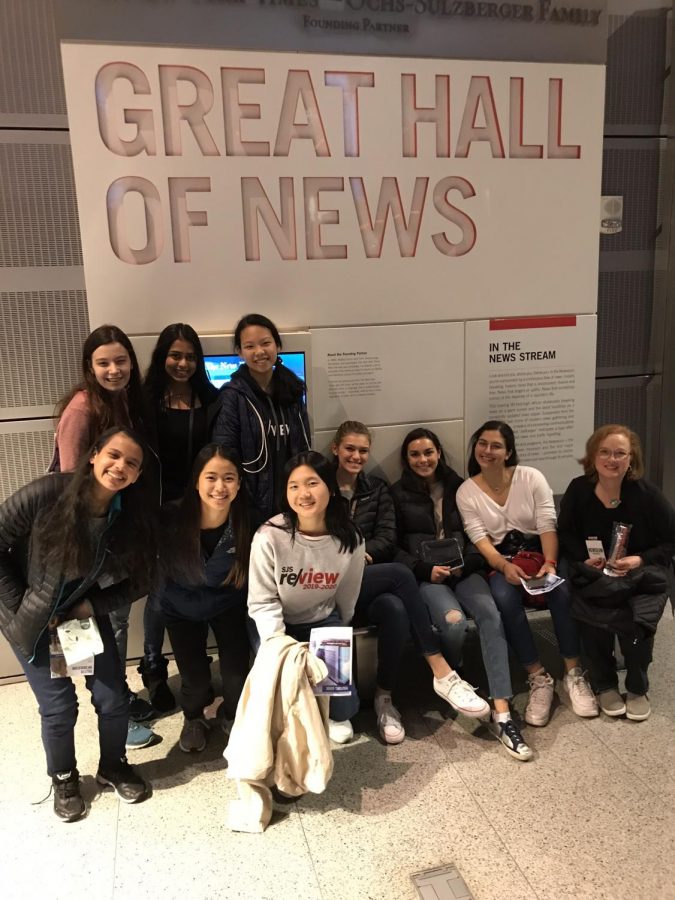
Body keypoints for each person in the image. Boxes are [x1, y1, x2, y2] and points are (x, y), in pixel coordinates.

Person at [0, 427, 158, 822]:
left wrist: (92, 604)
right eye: (114, 455)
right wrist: (21, 607)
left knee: (112, 698)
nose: (120, 467)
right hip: (29, 620)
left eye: (132, 463)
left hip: (77, 619)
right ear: (94, 455)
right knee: (58, 707)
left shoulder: (127, 517)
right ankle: (65, 777)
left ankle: (113, 766)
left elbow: (142, 579)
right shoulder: (46, 493)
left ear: (137, 475)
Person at [331, 422, 490, 746]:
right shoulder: (319, 486)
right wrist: (347, 557)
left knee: (396, 608)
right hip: (325, 582)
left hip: (365, 579)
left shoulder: (375, 489)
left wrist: (363, 556)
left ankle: (384, 699)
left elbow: (387, 538)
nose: (356, 456)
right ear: (335, 448)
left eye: (363, 450)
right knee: (402, 576)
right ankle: (439, 671)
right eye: (349, 448)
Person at [392, 427, 532, 760]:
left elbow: (478, 535)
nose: (423, 460)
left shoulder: (462, 487)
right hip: (427, 577)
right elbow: (393, 547)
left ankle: (502, 713)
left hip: (465, 571)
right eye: (415, 454)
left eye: (428, 452)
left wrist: (466, 564)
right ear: (406, 459)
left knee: (489, 615)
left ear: (439, 453)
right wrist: (425, 570)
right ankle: (453, 675)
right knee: (453, 622)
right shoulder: (396, 493)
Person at [50, 324, 157, 746]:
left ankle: (118, 702)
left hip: (115, 534)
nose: (114, 369)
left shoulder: (127, 402)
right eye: (103, 362)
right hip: (85, 542)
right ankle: (108, 719)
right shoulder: (82, 409)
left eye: (121, 360)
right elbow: (69, 486)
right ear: (89, 367)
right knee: (86, 629)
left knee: (113, 619)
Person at [456, 420, 598, 731]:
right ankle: (537, 676)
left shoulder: (530, 477)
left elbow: (547, 523)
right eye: (482, 444)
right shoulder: (467, 490)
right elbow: (479, 538)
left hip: (542, 554)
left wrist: (549, 562)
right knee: (504, 599)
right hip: (502, 560)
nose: (488, 451)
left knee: (561, 591)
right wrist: (503, 566)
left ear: (509, 452)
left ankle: (573, 671)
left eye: (496, 445)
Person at [558, 425, 675, 720]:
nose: (612, 459)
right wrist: (584, 560)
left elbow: (670, 541)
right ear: (593, 456)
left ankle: (637, 686)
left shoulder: (647, 495)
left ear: (631, 458)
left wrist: (639, 559)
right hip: (595, 572)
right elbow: (566, 533)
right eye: (605, 452)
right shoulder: (578, 489)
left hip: (640, 575)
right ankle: (605, 684)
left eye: (620, 453)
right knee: (594, 621)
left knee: (638, 625)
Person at [247, 451, 365, 744]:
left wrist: (339, 630)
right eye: (294, 485)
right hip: (276, 621)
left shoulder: (350, 538)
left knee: (343, 708)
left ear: (329, 486)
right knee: (281, 680)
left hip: (323, 617)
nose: (303, 493)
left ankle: (331, 710)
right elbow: (261, 601)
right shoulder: (269, 535)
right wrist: (279, 644)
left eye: (312, 483)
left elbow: (347, 593)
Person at [139, 323, 219, 713]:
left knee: (196, 583)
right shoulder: (144, 402)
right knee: (161, 590)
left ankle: (195, 660)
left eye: (190, 356)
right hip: (157, 511)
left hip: (200, 509)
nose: (183, 363)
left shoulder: (211, 399)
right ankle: (153, 666)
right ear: (162, 357)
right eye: (175, 355)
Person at [157, 444, 257, 752]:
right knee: (196, 682)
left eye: (229, 478)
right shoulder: (170, 518)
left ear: (239, 483)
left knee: (237, 680)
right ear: (196, 481)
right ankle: (194, 718)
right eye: (211, 477)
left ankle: (230, 714)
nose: (219, 487)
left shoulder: (249, 520)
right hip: (181, 608)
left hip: (228, 604)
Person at [211, 313, 310, 517]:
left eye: (266, 343)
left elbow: (303, 447)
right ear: (239, 352)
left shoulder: (292, 391)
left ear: (278, 346)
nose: (259, 352)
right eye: (249, 346)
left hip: (294, 502)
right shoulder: (233, 396)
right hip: (249, 508)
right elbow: (225, 457)